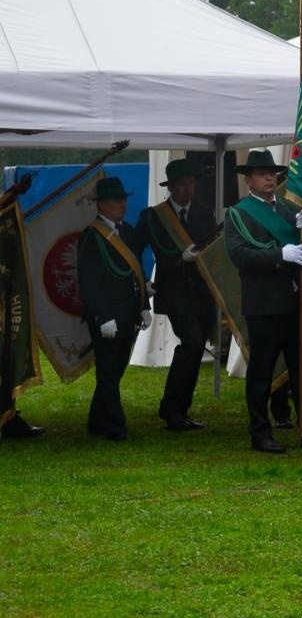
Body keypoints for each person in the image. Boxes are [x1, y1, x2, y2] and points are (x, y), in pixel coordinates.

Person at [223, 150, 302, 453]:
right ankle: (260, 432)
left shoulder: (291, 209)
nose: (269, 178)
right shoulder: (238, 214)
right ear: (248, 180)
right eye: (261, 173)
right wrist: (280, 255)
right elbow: (240, 255)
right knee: (262, 372)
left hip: (298, 300)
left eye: (272, 173)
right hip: (264, 304)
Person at [135, 157, 215, 431]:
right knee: (192, 342)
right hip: (174, 291)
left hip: (202, 293)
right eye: (182, 184)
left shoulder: (204, 213)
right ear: (170, 187)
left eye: (191, 183)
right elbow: (133, 250)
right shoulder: (153, 216)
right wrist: (143, 280)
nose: (187, 189)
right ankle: (171, 407)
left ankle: (181, 409)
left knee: (196, 348)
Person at [77, 178, 149, 440]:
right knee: (108, 371)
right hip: (106, 315)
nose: (123, 204)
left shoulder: (128, 231)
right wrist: (103, 317)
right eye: (116, 200)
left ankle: (97, 422)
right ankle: (115, 427)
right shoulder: (92, 236)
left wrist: (143, 306)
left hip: (128, 312)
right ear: (102, 204)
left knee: (115, 370)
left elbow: (137, 272)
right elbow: (89, 282)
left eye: (124, 199)